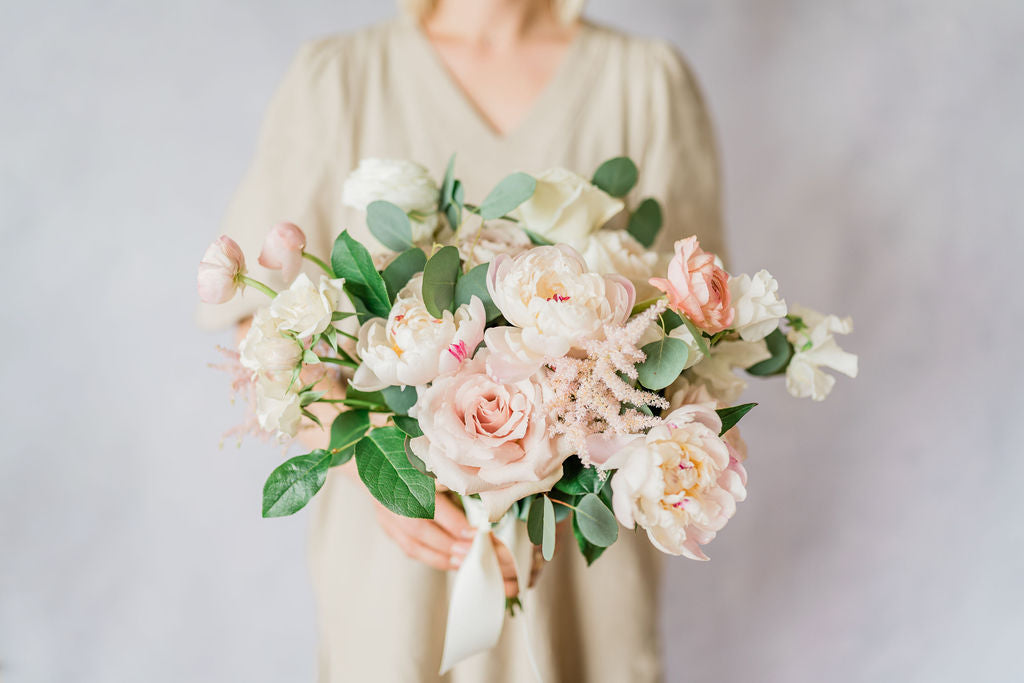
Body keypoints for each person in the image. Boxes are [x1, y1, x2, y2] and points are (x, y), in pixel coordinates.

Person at [197, 0, 726, 680]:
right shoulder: (337, 80)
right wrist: (374, 469)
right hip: (399, 559)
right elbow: (261, 327)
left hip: (574, 563)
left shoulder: (645, 84)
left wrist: (554, 487)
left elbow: (693, 329)